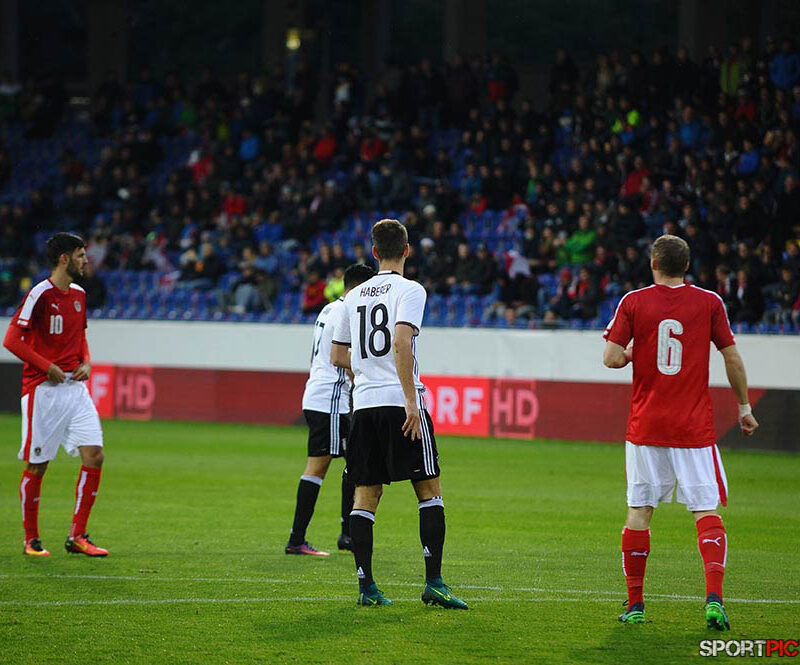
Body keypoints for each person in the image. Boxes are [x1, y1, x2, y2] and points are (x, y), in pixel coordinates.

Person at [603, 234, 758, 630]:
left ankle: (636, 605)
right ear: (686, 266)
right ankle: (714, 599)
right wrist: (744, 408)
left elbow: (611, 358)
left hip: (646, 425)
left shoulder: (633, 301)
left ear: (653, 264)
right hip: (693, 426)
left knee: (640, 511)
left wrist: (639, 348)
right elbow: (732, 357)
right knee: (705, 510)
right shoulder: (709, 302)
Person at [331, 219, 468, 609]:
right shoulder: (411, 290)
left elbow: (337, 354)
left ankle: (367, 587)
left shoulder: (353, 297)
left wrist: (364, 372)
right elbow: (401, 340)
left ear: (374, 253)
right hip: (399, 402)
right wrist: (410, 399)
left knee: (365, 495)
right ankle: (434, 583)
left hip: (365, 405)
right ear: (407, 250)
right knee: (429, 489)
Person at [3, 232, 108, 557]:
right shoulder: (39, 294)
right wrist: (45, 365)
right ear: (64, 258)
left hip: (75, 390)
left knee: (95, 455)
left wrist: (87, 362)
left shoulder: (79, 294)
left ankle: (78, 535)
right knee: (38, 465)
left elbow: (80, 337)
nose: (85, 261)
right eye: (80, 255)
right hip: (43, 392)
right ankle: (31, 540)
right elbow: (11, 340)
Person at [285, 264, 376, 557]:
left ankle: (346, 534)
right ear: (359, 288)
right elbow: (341, 359)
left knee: (355, 463)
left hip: (319, 396)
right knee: (320, 467)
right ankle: (298, 539)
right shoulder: (347, 312)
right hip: (331, 401)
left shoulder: (327, 310)